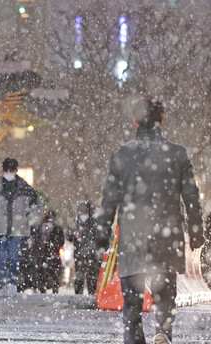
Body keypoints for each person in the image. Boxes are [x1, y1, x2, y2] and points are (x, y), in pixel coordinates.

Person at [97, 96, 207, 344]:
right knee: (166, 291)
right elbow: (191, 196)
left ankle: (135, 338)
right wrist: (197, 229)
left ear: (135, 122)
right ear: (162, 120)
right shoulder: (178, 154)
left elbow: (110, 199)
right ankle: (163, 331)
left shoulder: (122, 155)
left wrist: (102, 232)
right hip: (166, 233)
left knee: (132, 300)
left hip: (133, 233)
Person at [0, 158, 41, 297]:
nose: (9, 172)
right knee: (0, 258)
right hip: (0, 228)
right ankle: (3, 286)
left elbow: (37, 205)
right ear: (3, 170)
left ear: (16, 170)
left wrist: (28, 219)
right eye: (7, 170)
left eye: (11, 170)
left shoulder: (25, 188)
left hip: (17, 229)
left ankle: (12, 284)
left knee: (13, 258)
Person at [67, 201, 98, 295]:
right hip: (79, 254)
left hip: (92, 254)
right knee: (79, 276)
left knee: (92, 276)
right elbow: (68, 236)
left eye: (85, 213)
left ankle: (92, 293)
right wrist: (72, 235)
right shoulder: (75, 222)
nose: (83, 215)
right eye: (81, 213)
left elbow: (98, 236)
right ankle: (78, 293)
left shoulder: (93, 223)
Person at [31, 210, 64, 294]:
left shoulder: (56, 228)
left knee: (52, 272)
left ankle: (52, 288)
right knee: (43, 272)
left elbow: (61, 241)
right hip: (44, 254)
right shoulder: (39, 228)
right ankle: (44, 288)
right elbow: (35, 240)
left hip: (51, 254)